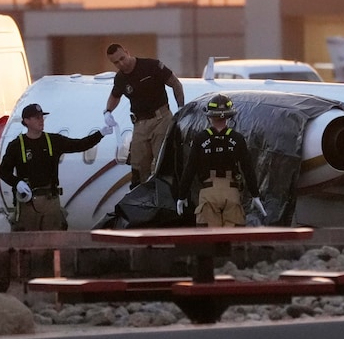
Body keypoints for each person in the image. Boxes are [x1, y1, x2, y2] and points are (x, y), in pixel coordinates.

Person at [0, 103, 113, 231]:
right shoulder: (16, 145)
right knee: (28, 241)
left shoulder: (53, 141)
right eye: (37, 118)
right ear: (26, 121)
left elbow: (79, 145)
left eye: (42, 117)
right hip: (28, 203)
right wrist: (17, 183)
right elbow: (3, 171)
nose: (41, 121)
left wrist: (100, 134)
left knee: (54, 239)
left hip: (51, 200)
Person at [176, 94, 266, 227]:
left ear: (209, 116)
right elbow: (247, 168)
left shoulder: (200, 139)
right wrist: (255, 194)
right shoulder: (237, 139)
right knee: (232, 237)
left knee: (210, 238)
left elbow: (190, 168)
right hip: (232, 192)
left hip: (208, 192)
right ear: (229, 116)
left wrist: (181, 196)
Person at [103, 43, 185, 188]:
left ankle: (166, 197)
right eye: (116, 62)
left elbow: (175, 83)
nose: (121, 63)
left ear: (127, 52)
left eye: (122, 58)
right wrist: (107, 111)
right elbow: (115, 95)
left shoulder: (151, 66)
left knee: (162, 160)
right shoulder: (121, 78)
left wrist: (181, 107)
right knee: (138, 165)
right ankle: (140, 199)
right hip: (140, 123)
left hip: (161, 119)